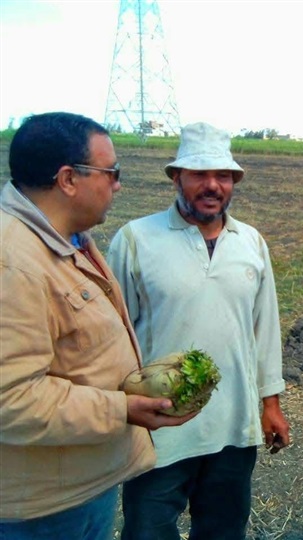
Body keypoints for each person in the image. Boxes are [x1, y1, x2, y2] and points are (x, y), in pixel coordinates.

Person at [0, 112, 194, 540]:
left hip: (77, 485)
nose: (118, 185)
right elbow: (10, 399)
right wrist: (122, 408)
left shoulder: (66, 239)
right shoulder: (13, 262)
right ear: (68, 179)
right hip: (43, 511)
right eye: (112, 172)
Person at [107, 121, 291, 540]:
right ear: (177, 178)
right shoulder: (136, 239)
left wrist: (271, 404)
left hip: (233, 427)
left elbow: (264, 330)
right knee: (148, 531)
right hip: (159, 427)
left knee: (223, 531)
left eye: (223, 175)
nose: (212, 185)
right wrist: (120, 407)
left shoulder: (251, 242)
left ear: (233, 182)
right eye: (199, 175)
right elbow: (115, 335)